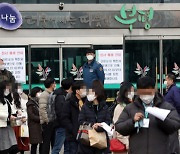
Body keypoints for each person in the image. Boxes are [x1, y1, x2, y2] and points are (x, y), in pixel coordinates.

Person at [115, 76, 180, 154]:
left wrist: (161, 117)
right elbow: (119, 127)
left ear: (154, 89)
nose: (146, 95)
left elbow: (175, 125)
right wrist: (132, 121)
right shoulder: (130, 108)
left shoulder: (165, 106)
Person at [78, 80, 111, 154]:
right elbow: (80, 120)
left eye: (90, 92)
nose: (88, 94)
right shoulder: (85, 106)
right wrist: (92, 125)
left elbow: (108, 121)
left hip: (101, 141)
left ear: (96, 93)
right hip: (87, 141)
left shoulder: (104, 107)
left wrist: (100, 126)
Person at [61, 81, 87, 154]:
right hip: (73, 136)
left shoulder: (87, 102)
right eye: (84, 89)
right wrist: (73, 130)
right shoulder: (69, 103)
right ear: (77, 91)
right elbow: (64, 119)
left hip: (85, 135)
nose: (86, 91)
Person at [52, 78, 73, 154]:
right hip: (61, 125)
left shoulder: (65, 95)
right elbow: (60, 112)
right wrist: (66, 122)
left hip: (65, 125)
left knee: (67, 148)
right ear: (70, 86)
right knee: (57, 147)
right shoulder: (60, 96)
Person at [113, 82, 134, 153]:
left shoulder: (133, 106)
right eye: (130, 91)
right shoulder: (120, 108)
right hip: (123, 146)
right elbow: (118, 128)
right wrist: (127, 143)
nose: (132, 93)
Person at [0, 81, 18, 154]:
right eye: (7, 88)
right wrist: (8, 116)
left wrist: (17, 114)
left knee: (12, 145)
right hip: (1, 126)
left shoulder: (6, 100)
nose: (8, 90)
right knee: (4, 146)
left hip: (8, 125)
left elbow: (12, 110)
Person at [39, 78, 56, 154]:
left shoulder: (52, 93)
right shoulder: (44, 94)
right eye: (54, 83)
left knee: (53, 141)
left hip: (52, 121)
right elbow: (42, 109)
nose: (55, 85)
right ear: (51, 84)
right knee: (46, 142)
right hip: (47, 123)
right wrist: (47, 120)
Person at [164, 73, 180, 154]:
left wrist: (177, 115)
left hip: (173, 118)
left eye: (166, 80)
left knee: (173, 137)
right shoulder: (170, 90)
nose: (165, 81)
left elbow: (178, 102)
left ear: (171, 80)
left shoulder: (174, 90)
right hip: (169, 117)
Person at [27, 87, 43, 154]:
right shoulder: (30, 103)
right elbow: (31, 115)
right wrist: (41, 118)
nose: (40, 93)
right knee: (34, 144)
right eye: (39, 92)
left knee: (41, 143)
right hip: (34, 126)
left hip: (40, 126)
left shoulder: (38, 102)